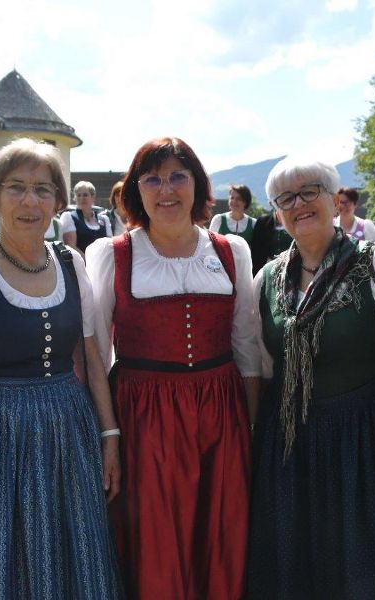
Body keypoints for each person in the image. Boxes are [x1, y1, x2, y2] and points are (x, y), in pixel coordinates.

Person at [0, 138, 123, 599]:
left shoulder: (72, 264)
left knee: (80, 557)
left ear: (58, 200)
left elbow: (91, 358)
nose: (30, 201)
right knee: (5, 564)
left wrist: (110, 438)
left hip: (71, 435)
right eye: (16, 187)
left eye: (43, 189)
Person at [86, 136, 260, 599]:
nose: (166, 189)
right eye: (153, 178)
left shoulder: (231, 251)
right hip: (144, 417)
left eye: (178, 176)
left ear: (198, 186)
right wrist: (108, 437)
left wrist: (252, 426)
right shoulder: (112, 254)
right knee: (157, 544)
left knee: (220, 536)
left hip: (221, 414)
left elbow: (246, 346)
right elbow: (96, 355)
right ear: (136, 192)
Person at [247, 156, 375, 599]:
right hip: (286, 443)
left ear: (334, 198)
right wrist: (252, 444)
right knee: (292, 559)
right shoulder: (265, 280)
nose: (300, 204)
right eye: (286, 198)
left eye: (310, 191)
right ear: (276, 211)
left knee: (356, 564)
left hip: (359, 439)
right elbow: (257, 368)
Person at [61, 180, 112, 254]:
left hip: (102, 263)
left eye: (85, 195)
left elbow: (109, 245)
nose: (81, 198)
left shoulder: (104, 219)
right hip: (80, 263)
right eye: (78, 195)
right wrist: (89, 263)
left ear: (93, 197)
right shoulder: (69, 217)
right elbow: (71, 246)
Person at [249, 210, 293, 275]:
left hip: (292, 268)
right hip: (267, 269)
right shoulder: (263, 221)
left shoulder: (295, 220)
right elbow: (256, 250)